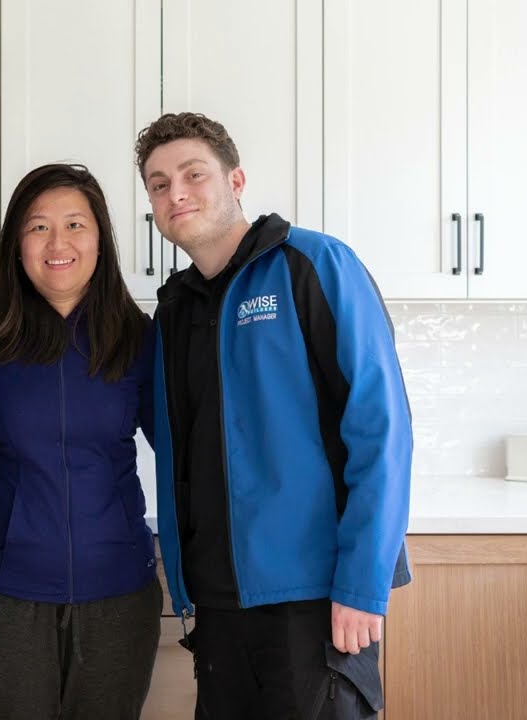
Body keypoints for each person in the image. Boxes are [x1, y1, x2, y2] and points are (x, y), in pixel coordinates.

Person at [134, 112, 413, 719]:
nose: (175, 193)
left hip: (315, 601)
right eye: (158, 184)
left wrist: (362, 585)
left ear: (236, 180)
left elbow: (381, 431)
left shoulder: (313, 264)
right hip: (216, 602)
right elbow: (177, 442)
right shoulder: (174, 313)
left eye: (192, 173)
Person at [0, 163, 161, 720]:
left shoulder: (140, 339)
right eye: (38, 227)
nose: (58, 243)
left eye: (76, 224)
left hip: (118, 593)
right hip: (6, 597)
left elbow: (185, 457)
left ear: (101, 239)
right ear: (15, 244)